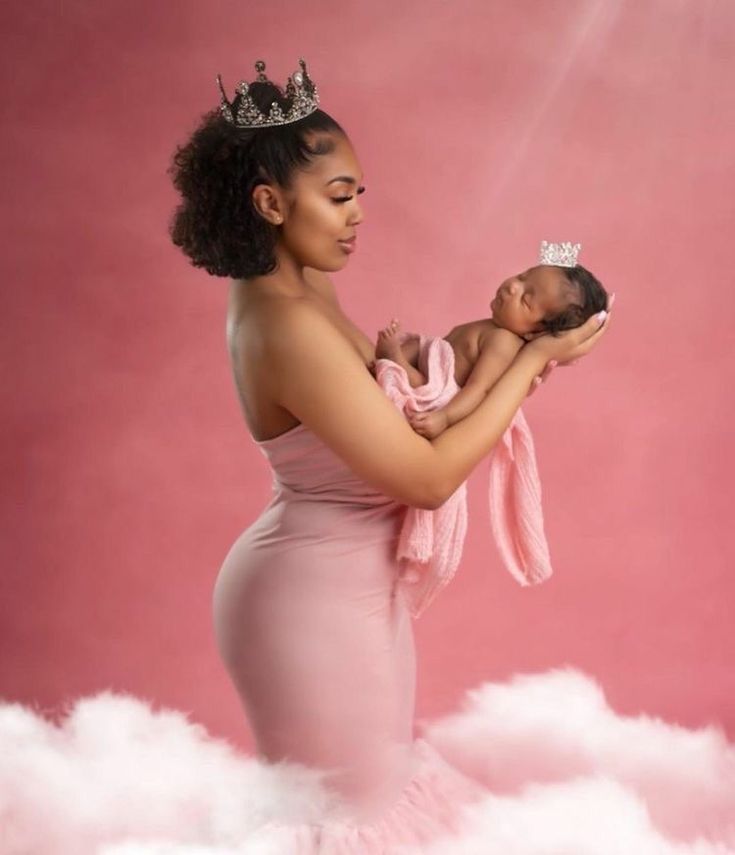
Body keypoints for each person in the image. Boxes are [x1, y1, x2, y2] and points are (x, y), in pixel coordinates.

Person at [167, 58, 611, 848]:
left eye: (358, 195)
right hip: (309, 603)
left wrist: (462, 363)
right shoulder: (284, 321)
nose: (357, 215)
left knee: (377, 797)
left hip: (351, 589)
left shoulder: (305, 287)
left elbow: (393, 423)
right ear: (269, 203)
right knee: (347, 821)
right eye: (339, 197)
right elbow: (428, 476)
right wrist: (534, 361)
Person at [373, 259, 612, 439]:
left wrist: (444, 418)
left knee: (423, 380)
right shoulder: (495, 328)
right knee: (420, 345)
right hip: (428, 365)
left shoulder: (503, 343)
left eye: (526, 300)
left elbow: (479, 389)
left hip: (436, 398)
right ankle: (395, 362)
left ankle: (396, 362)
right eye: (522, 276)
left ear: (536, 333)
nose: (512, 287)